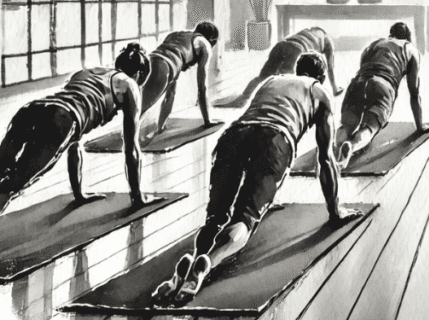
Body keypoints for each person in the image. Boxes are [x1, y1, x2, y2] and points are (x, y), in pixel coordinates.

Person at [152, 53, 359, 304]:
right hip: (275, 140)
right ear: (322, 77)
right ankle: (207, 265)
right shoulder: (320, 93)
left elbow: (256, 117)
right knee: (244, 219)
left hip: (234, 135)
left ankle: (193, 261)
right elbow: (325, 159)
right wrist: (335, 211)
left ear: (296, 69)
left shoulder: (272, 82)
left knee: (216, 217)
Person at [0, 43, 155, 215]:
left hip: (31, 110)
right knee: (11, 187)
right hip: (60, 119)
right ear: (139, 74)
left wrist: (79, 194)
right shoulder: (129, 85)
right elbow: (131, 148)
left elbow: (73, 144)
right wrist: (137, 196)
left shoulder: (87, 73)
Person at [335, 22, 429, 168]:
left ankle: (338, 144)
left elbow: (363, 69)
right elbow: (414, 93)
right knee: (369, 128)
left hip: (358, 82)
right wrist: (420, 126)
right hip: (383, 85)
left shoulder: (372, 45)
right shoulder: (409, 48)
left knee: (347, 125)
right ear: (408, 37)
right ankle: (351, 146)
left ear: (391, 33)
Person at [141, 22, 219, 138]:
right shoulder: (204, 44)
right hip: (165, 67)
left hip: (149, 62)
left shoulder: (174, 35)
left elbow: (170, 95)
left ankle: (160, 127)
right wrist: (207, 121)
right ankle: (129, 142)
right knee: (140, 108)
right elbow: (201, 88)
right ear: (211, 39)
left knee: (167, 94)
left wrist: (160, 128)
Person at [236, 27, 343, 102]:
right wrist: (335, 89)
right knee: (290, 82)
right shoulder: (328, 41)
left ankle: (244, 98)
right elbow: (330, 68)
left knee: (263, 77)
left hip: (281, 45)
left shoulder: (308, 31)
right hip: (297, 50)